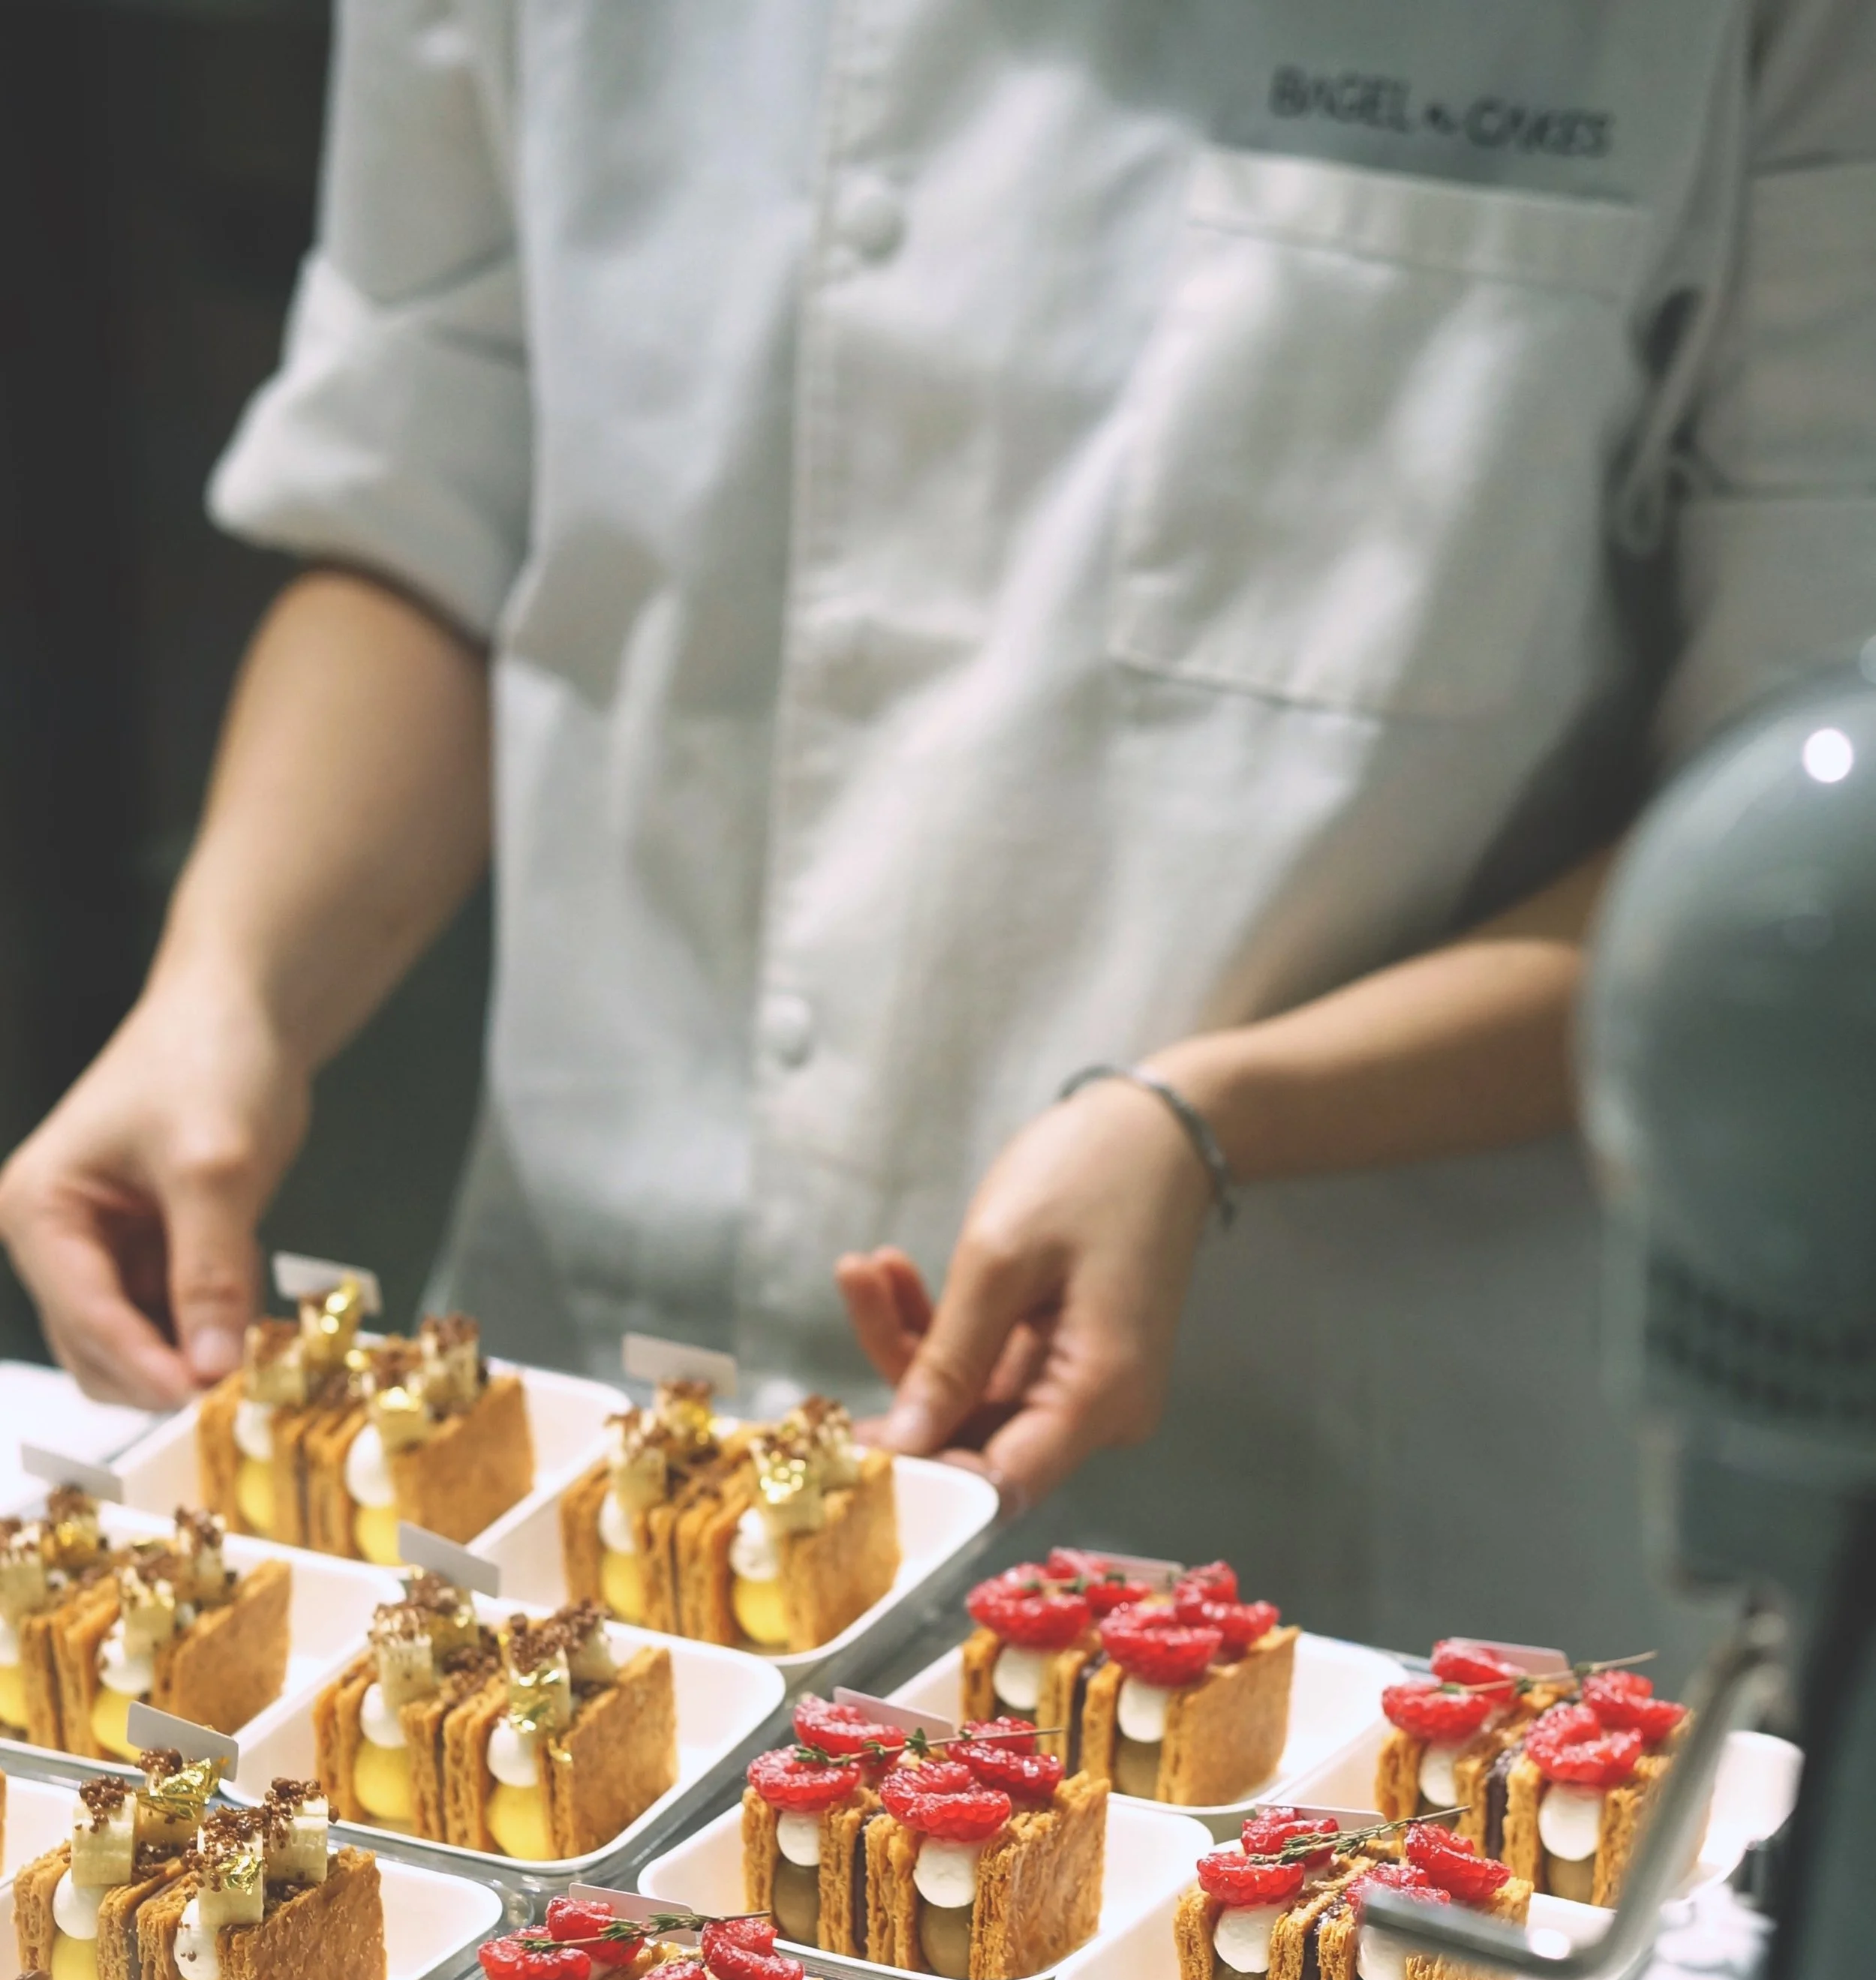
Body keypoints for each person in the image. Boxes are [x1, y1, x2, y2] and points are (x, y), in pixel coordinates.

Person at [3, 3, 1871, 1656]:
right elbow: (424, 509)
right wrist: (227, 989)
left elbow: (1797, 830)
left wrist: (1214, 1116)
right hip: (598, 1378)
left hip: (1332, 1477)